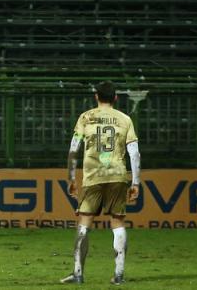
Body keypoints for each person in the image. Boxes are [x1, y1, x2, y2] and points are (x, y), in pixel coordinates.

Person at [61, 81, 140, 286]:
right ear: (115, 98)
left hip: (92, 176)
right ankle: (119, 274)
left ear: (96, 97)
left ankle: (78, 273)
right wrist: (136, 182)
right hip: (117, 175)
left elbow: (73, 150)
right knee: (118, 221)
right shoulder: (125, 119)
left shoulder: (85, 117)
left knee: (84, 222)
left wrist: (71, 178)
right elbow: (134, 153)